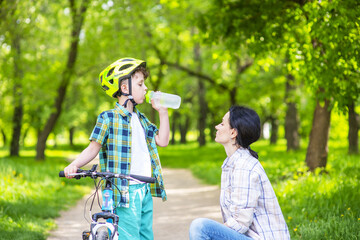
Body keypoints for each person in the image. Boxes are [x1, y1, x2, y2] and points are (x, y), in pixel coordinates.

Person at [64, 57, 169, 240]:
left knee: (146, 236)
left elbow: (163, 140)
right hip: (123, 191)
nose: (145, 88)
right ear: (125, 87)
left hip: (144, 189)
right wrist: (73, 165)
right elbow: (92, 148)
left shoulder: (142, 119)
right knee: (130, 237)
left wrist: (163, 112)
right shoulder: (108, 118)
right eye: (140, 84)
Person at [189, 106, 290, 240]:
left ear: (233, 133)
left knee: (201, 227)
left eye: (222, 123)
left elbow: (240, 223)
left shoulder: (244, 166)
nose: (216, 127)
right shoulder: (233, 164)